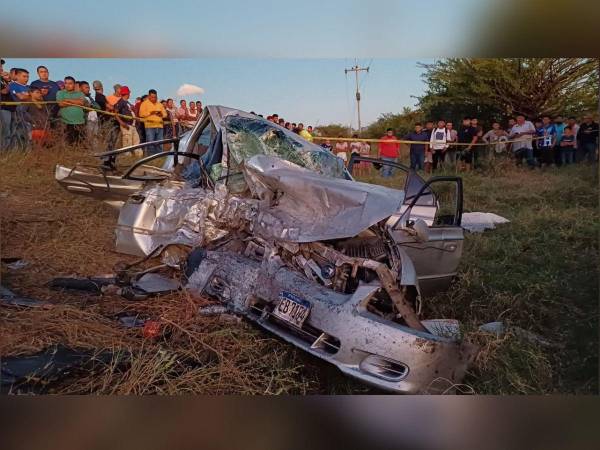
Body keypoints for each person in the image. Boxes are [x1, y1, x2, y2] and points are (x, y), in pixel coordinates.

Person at [56, 76, 86, 145]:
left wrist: (68, 100)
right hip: (66, 122)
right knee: (68, 143)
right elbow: (61, 104)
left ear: (74, 84)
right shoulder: (60, 93)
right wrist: (76, 102)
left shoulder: (80, 93)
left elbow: (81, 103)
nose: (67, 85)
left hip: (80, 122)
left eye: (70, 83)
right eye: (66, 83)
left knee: (80, 144)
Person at [138, 89, 167, 155]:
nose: (154, 98)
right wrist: (150, 113)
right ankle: (151, 157)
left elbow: (165, 114)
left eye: (155, 97)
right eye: (152, 97)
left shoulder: (159, 104)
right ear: (149, 96)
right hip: (150, 126)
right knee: (150, 143)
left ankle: (159, 156)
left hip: (159, 126)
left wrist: (162, 115)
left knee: (159, 143)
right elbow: (141, 114)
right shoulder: (144, 103)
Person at [0, 58, 12, 149]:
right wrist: (10, 83)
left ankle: (5, 152)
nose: (1, 67)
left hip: (7, 108)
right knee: (4, 131)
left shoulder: (2, 79)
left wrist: (8, 80)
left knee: (7, 131)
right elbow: (4, 92)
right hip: (2, 109)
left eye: (1, 65)